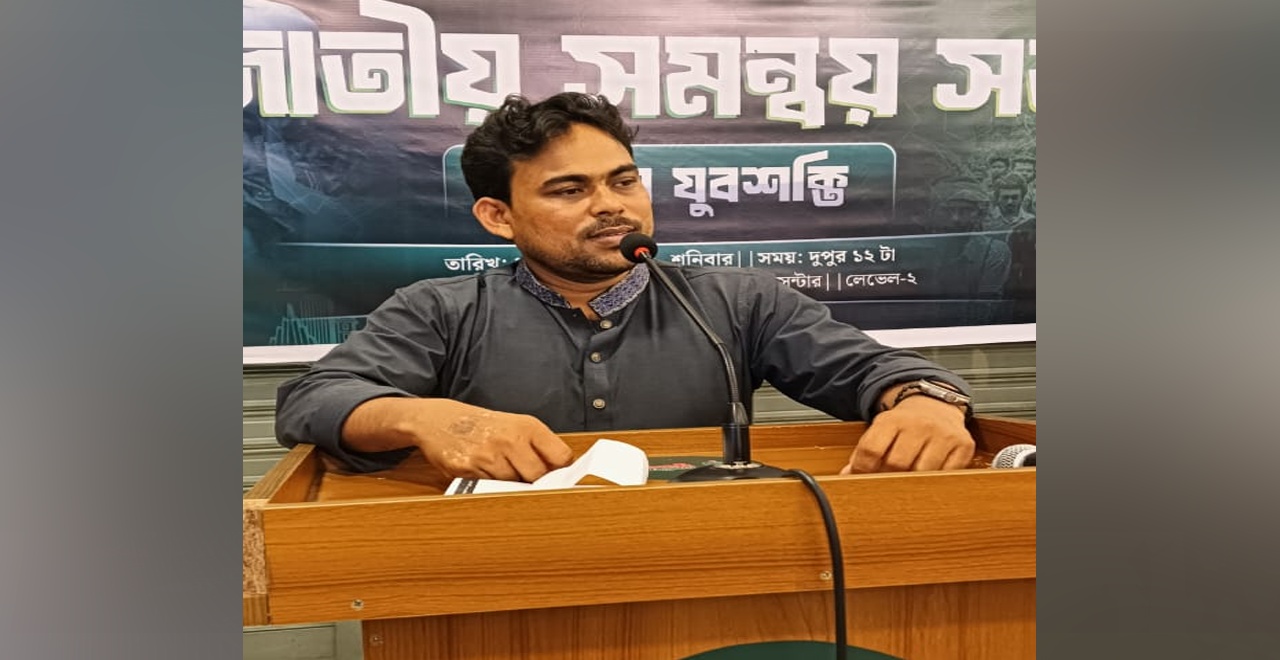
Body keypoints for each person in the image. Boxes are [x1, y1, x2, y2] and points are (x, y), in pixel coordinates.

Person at [274, 92, 977, 481]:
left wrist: (928, 403)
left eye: (623, 181)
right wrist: (429, 419)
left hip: (703, 570)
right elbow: (313, 399)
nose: (610, 205)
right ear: (498, 216)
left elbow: (879, 369)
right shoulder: (441, 309)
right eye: (569, 190)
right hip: (501, 577)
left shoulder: (736, 303)